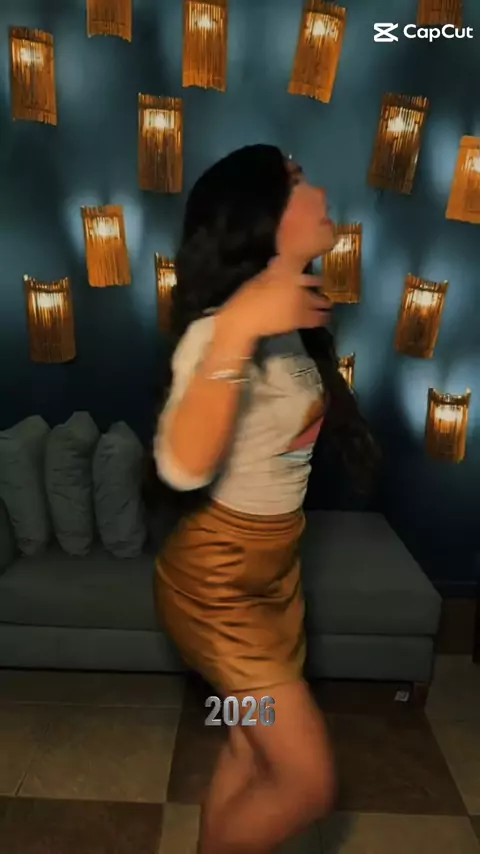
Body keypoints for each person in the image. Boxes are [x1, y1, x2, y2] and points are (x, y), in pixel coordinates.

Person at [153, 144, 379, 854]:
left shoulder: (286, 324)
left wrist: (264, 315)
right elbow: (181, 468)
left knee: (251, 747)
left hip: (275, 575)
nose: (320, 193)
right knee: (308, 783)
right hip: (219, 584)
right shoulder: (219, 331)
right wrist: (238, 328)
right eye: (299, 181)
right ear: (262, 216)